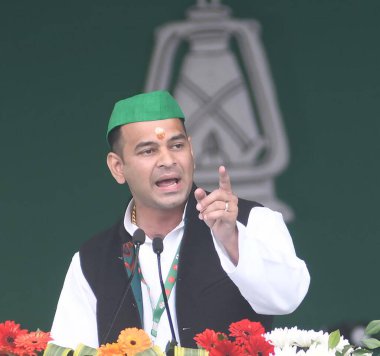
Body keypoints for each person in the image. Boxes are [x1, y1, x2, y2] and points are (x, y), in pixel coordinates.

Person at [51, 90, 310, 351]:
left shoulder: (250, 221)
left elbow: (288, 298)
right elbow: (67, 348)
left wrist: (232, 241)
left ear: (192, 151)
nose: (168, 160)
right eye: (148, 151)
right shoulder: (92, 259)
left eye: (177, 146)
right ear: (118, 167)